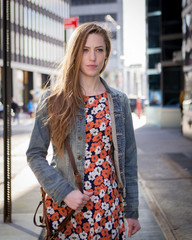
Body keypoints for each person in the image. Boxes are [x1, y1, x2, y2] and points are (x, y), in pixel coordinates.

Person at [26, 22, 141, 239]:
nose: (93, 57)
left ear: (106, 54)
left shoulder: (119, 101)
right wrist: (64, 192)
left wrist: (132, 211)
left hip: (108, 208)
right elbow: (34, 154)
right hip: (67, 209)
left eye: (99, 50)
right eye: (85, 50)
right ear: (75, 53)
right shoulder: (52, 99)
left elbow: (129, 160)